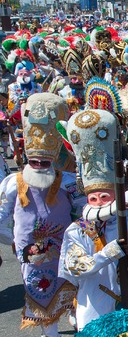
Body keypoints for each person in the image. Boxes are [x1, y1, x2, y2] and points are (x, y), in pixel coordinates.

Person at [0, 93, 78, 337]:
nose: (40, 166)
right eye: (35, 162)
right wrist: (9, 237)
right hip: (29, 248)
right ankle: (49, 328)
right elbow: (2, 214)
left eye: (44, 163)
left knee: (67, 278)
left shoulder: (67, 181)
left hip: (63, 243)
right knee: (37, 283)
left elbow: (84, 209)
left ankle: (69, 316)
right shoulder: (13, 182)